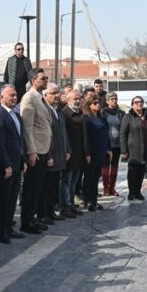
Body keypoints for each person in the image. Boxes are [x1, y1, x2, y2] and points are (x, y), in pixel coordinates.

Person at [0, 85, 25, 244]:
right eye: (10, 95)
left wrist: (23, 160)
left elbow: (19, 139)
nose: (14, 98)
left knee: (12, 199)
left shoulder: (16, 115)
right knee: (3, 199)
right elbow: (0, 144)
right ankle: (1, 230)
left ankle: (8, 226)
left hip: (17, 163)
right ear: (0, 97)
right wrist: (6, 165)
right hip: (7, 166)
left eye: (15, 95)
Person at [19, 69, 53, 233]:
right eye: (43, 78)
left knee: (38, 187)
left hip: (44, 148)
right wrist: (31, 151)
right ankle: (27, 221)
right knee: (31, 188)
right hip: (36, 150)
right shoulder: (29, 98)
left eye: (47, 78)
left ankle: (33, 218)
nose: (46, 81)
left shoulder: (41, 98)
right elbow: (27, 127)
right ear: (34, 80)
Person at [41, 83, 70, 221]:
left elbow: (64, 132)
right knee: (46, 186)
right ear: (45, 95)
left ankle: (51, 211)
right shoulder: (44, 110)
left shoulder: (58, 110)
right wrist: (48, 155)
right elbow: (44, 135)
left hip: (60, 154)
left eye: (58, 92)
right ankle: (44, 213)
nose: (57, 95)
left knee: (54, 186)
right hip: (49, 154)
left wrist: (67, 149)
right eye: (53, 93)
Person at [120, 96, 147, 201]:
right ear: (132, 104)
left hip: (145, 148)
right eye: (136, 102)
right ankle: (131, 192)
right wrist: (123, 151)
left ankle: (138, 191)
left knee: (141, 171)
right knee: (132, 171)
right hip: (132, 149)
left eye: (140, 102)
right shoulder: (128, 117)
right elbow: (123, 134)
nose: (139, 104)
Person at [81, 93, 110, 212]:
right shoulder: (86, 119)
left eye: (98, 103)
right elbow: (85, 137)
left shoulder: (101, 118)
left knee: (96, 177)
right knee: (89, 178)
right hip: (91, 152)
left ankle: (94, 200)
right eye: (95, 103)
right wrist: (87, 153)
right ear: (89, 105)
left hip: (101, 152)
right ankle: (88, 201)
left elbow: (106, 135)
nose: (98, 105)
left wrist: (109, 149)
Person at [60, 89, 85, 217]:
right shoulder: (64, 113)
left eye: (79, 98)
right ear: (68, 99)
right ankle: (65, 206)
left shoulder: (80, 112)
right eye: (75, 98)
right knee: (66, 181)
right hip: (69, 153)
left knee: (74, 181)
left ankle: (70, 204)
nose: (77, 100)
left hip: (79, 153)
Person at [101, 93, 124, 197]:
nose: (114, 101)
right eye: (111, 99)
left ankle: (112, 187)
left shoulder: (121, 113)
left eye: (115, 99)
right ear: (107, 101)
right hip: (106, 144)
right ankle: (106, 187)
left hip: (117, 145)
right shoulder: (103, 113)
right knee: (105, 166)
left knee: (115, 166)